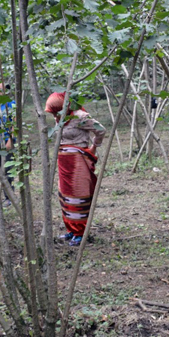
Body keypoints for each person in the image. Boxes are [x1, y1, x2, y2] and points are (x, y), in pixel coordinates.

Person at [44, 92, 105, 247]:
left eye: (56, 112)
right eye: (53, 113)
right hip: (63, 162)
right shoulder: (58, 118)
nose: (54, 115)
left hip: (78, 161)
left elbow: (100, 130)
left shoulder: (81, 116)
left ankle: (80, 232)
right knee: (65, 196)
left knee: (78, 194)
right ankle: (71, 228)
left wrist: (93, 147)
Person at [0, 82, 16, 204]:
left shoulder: (11, 105)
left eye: (2, 90)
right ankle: (4, 195)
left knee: (8, 169)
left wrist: (10, 140)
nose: (0, 93)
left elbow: (14, 124)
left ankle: (9, 197)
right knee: (1, 168)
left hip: (7, 141)